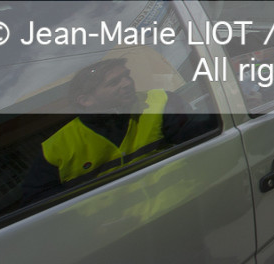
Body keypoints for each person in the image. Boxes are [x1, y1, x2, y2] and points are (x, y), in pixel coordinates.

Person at [21, 57, 208, 198]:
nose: (127, 83)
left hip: (182, 209)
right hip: (111, 240)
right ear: (86, 100)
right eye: (114, 82)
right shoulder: (56, 149)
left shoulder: (159, 100)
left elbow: (199, 135)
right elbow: (36, 203)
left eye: (126, 76)